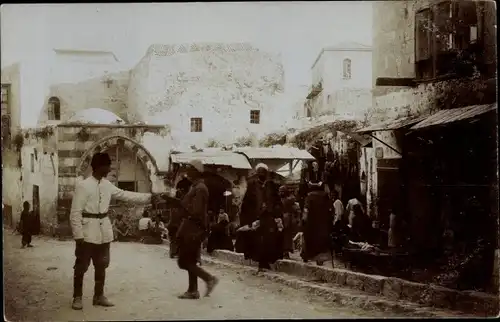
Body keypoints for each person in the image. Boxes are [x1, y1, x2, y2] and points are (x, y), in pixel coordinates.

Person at [69, 152, 162, 310]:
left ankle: (98, 296)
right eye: (107, 166)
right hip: (86, 233)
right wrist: (78, 235)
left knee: (102, 265)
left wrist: (149, 198)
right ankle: (77, 297)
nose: (109, 169)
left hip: (104, 232)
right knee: (81, 267)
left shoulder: (107, 185)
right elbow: (75, 213)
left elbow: (125, 195)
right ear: (99, 167)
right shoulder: (83, 186)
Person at [176, 159, 218, 300]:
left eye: (189, 168)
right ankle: (193, 290)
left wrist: (178, 204)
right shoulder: (195, 187)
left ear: (196, 170)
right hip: (191, 227)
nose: (187, 170)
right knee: (190, 260)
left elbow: (196, 211)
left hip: (193, 228)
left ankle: (209, 278)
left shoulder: (200, 188)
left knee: (184, 261)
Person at [237, 163, 269, 262]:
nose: (261, 174)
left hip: (264, 214)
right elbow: (247, 201)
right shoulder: (252, 184)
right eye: (259, 172)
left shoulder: (268, 184)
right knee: (253, 235)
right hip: (253, 214)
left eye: (263, 172)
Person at [301, 183, 334, 266]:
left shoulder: (309, 197)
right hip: (323, 224)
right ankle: (320, 260)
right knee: (321, 242)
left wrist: (304, 220)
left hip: (311, 224)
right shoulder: (326, 197)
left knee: (308, 239)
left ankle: (306, 256)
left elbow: (306, 210)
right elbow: (331, 210)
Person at [279, 185, 300, 259]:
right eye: (280, 191)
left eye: (282, 191)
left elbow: (296, 209)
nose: (281, 192)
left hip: (286, 220)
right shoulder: (280, 200)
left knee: (287, 237)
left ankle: (286, 252)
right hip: (280, 220)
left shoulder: (289, 200)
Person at [167, 189, 187, 258]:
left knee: (173, 239)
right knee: (178, 239)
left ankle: (173, 253)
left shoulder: (172, 207)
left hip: (172, 225)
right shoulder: (181, 206)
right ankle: (176, 252)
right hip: (178, 225)